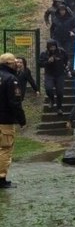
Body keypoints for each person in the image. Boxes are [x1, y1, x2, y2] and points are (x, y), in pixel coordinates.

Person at [0, 53, 26, 189]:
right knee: (5, 148)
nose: (17, 64)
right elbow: (15, 103)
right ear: (9, 64)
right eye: (15, 62)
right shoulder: (11, 79)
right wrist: (22, 120)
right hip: (4, 120)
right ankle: (1, 178)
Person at [38, 40, 69, 115]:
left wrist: (67, 67)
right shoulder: (44, 54)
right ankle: (52, 100)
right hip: (49, 74)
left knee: (60, 92)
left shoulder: (61, 52)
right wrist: (48, 62)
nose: (53, 49)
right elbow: (40, 64)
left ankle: (59, 108)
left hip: (60, 75)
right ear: (48, 47)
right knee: (48, 89)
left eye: (54, 47)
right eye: (51, 47)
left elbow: (67, 60)